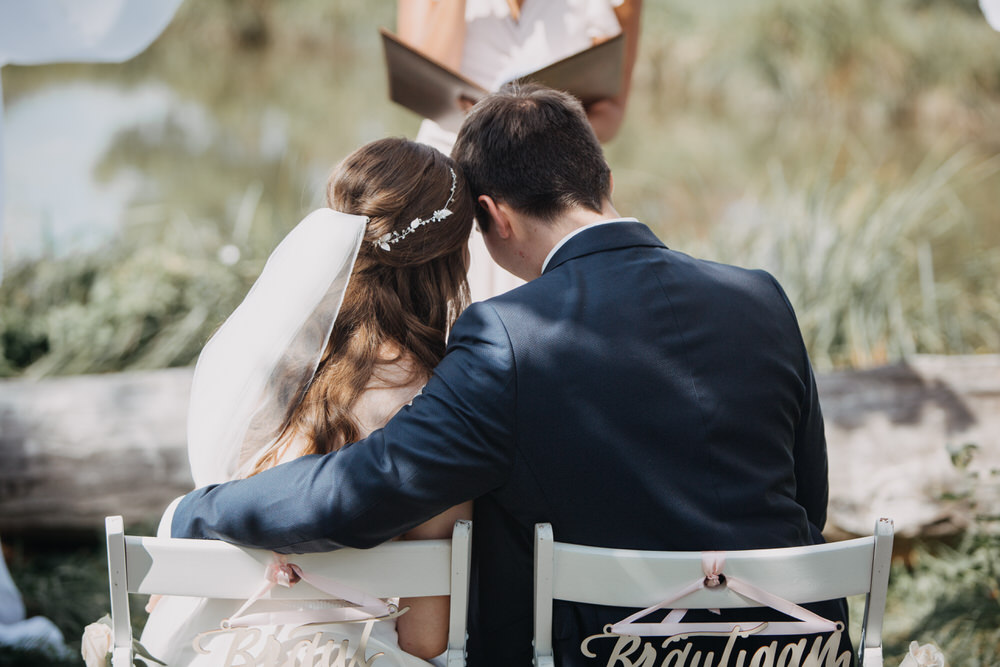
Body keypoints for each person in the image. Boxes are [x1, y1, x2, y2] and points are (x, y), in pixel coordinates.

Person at [170, 84, 853, 667]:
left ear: (491, 216)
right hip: (796, 642)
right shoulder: (761, 296)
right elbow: (807, 497)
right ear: (603, 180)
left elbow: (369, 486)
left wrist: (204, 508)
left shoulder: (507, 336)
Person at [140, 137, 474, 667]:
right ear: (451, 260)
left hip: (215, 648)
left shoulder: (269, 371)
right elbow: (425, 639)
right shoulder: (441, 410)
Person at [397, 0, 642, 301]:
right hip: (451, 174)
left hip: (547, 185)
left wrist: (538, 130)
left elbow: (611, 113)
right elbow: (420, 85)